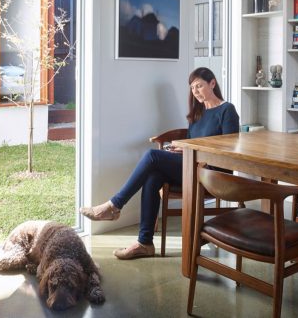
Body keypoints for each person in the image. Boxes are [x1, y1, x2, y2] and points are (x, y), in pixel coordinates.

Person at [79, 67, 239, 259]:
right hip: (192, 166)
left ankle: (114, 206)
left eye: (199, 86)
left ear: (212, 83)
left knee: (152, 157)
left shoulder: (227, 110)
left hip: (212, 173)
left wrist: (189, 149)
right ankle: (144, 243)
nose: (195, 91)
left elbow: (229, 152)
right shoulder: (197, 114)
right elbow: (192, 145)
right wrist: (182, 149)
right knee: (153, 177)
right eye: (192, 88)